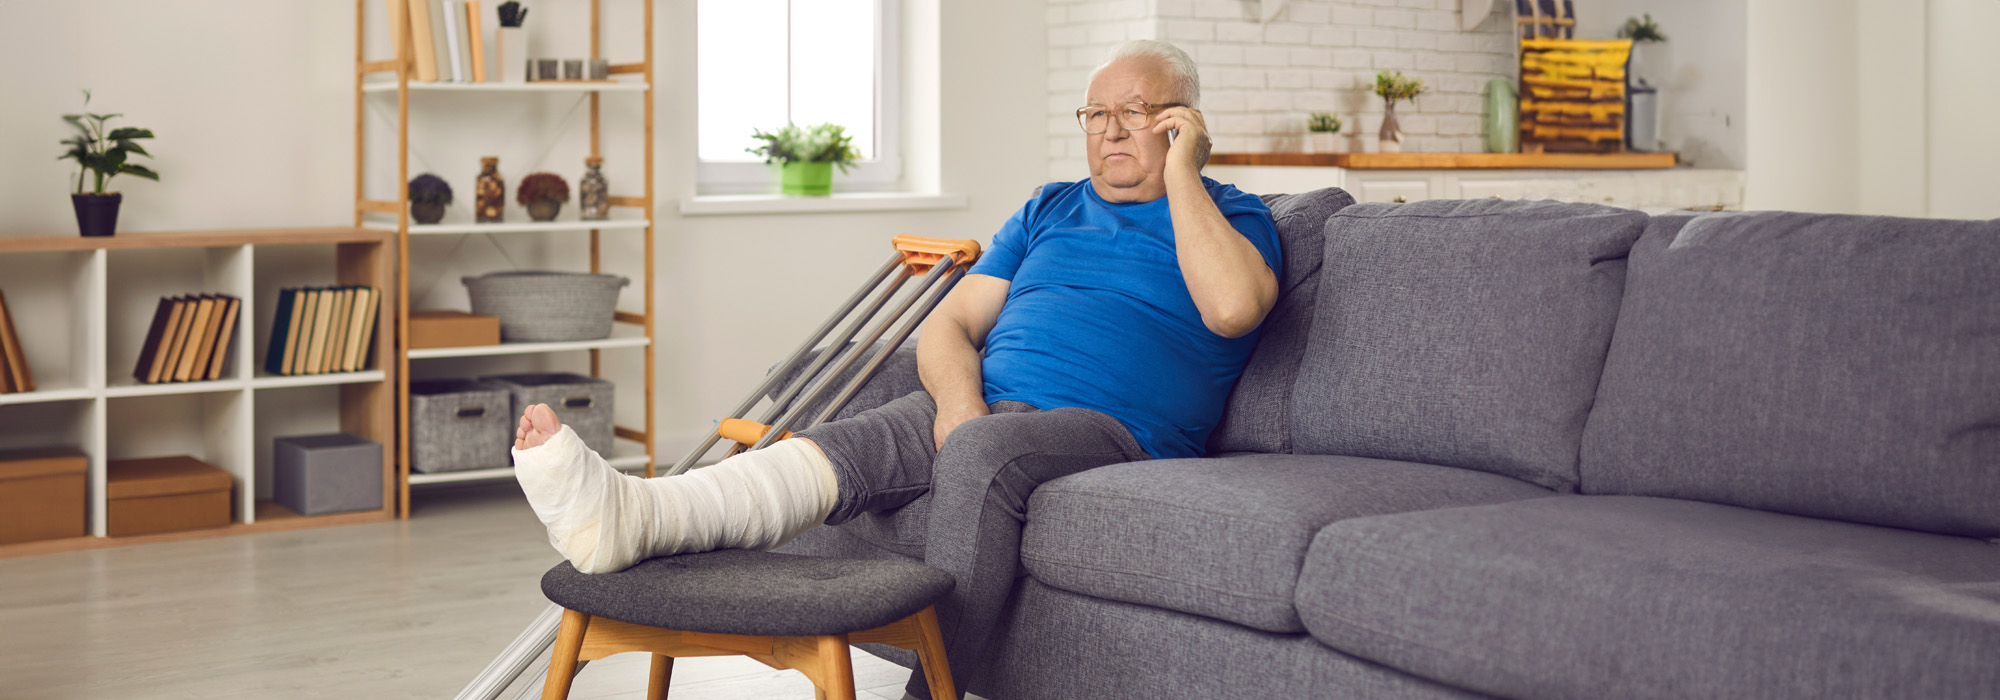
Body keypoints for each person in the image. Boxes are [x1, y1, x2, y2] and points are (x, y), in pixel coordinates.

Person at [510, 39, 1281, 699]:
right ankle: (632, 517)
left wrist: (1184, 177)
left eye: (1136, 114)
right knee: (846, 441)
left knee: (982, 447)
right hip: (996, 408)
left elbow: (1233, 311)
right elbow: (948, 322)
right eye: (1096, 115)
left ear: (1182, 122)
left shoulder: (1232, 217)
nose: (1110, 132)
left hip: (1118, 432)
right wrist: (956, 401)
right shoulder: (1051, 207)